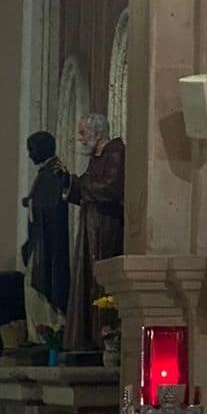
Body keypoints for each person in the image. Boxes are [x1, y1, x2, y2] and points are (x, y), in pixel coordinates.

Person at [65, 113, 125, 351]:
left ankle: (105, 336)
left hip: (107, 226)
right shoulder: (96, 157)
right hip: (91, 225)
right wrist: (68, 183)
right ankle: (88, 335)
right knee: (87, 278)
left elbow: (110, 188)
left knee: (100, 278)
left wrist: (83, 186)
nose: (80, 139)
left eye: (83, 133)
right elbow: (85, 187)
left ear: (97, 133)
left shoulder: (116, 153)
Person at [20, 131, 69, 345]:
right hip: (40, 240)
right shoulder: (46, 172)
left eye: (32, 150)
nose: (30, 155)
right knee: (32, 289)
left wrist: (31, 202)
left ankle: (47, 336)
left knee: (40, 289)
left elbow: (51, 205)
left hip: (48, 244)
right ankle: (40, 335)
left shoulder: (53, 172)